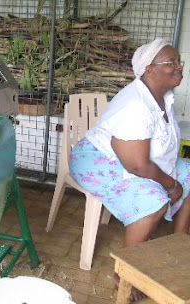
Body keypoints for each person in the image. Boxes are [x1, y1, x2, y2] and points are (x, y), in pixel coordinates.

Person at [69, 38, 190, 301]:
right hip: (97, 160)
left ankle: (177, 247)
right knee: (152, 201)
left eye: (179, 61)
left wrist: (176, 178)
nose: (179, 67)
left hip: (140, 159)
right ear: (149, 70)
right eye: (172, 63)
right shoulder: (136, 105)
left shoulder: (162, 97)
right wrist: (170, 184)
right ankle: (123, 274)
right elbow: (136, 164)